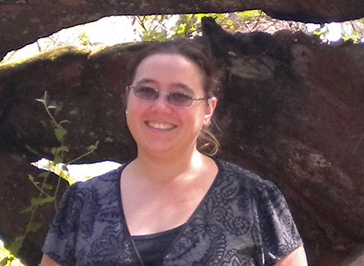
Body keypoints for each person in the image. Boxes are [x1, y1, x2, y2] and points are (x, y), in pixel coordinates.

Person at [40, 39, 308, 266]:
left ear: (208, 110)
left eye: (180, 96)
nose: (160, 107)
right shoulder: (84, 203)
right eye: (146, 91)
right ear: (127, 99)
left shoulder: (255, 199)